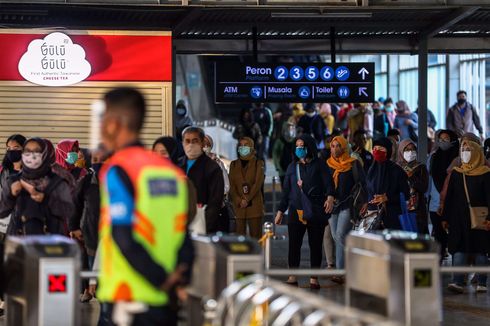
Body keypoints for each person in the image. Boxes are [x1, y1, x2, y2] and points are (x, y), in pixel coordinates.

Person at [97, 88, 193, 325]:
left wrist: (160, 279)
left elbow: (123, 235)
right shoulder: (171, 173)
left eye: (102, 118)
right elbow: (183, 236)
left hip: (128, 297)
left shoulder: (119, 169)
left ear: (114, 123)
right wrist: (177, 281)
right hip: (166, 300)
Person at [275, 134, 335, 289]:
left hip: (316, 210)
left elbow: (329, 183)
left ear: (309, 147)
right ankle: (292, 275)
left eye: (302, 146)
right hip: (296, 211)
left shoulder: (320, 165)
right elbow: (287, 191)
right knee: (294, 244)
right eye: (297, 146)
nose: (299, 149)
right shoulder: (292, 167)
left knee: (316, 245)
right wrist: (281, 211)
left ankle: (314, 278)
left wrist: (329, 197)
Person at [0, 138, 74, 235]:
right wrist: (11, 196)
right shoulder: (13, 180)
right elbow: (2, 212)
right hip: (19, 238)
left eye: (36, 151)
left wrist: (45, 199)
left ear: (45, 154)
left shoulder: (58, 181)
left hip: (49, 240)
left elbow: (69, 211)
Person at [443, 138, 490, 294]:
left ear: (477, 153)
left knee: (480, 251)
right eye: (463, 150)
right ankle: (457, 281)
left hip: (479, 219)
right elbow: (449, 197)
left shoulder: (485, 174)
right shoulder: (457, 173)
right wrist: (445, 217)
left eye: (469, 150)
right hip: (458, 219)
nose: (465, 154)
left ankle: (482, 282)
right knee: (459, 250)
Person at [70, 146, 108, 303]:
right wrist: (74, 227)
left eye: (102, 159)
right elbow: (75, 205)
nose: (98, 163)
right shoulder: (85, 182)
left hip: (114, 235)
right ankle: (92, 290)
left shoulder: (118, 181)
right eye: (95, 160)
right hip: (91, 233)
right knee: (93, 267)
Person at [327, 136, 366, 281]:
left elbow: (362, 183)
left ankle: (340, 272)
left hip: (348, 205)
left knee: (340, 235)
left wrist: (365, 202)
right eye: (333, 146)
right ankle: (349, 268)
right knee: (337, 237)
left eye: (338, 146)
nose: (335, 149)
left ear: (344, 148)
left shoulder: (353, 164)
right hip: (332, 206)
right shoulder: (328, 165)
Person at [181, 127, 226, 233]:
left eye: (195, 141)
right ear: (182, 143)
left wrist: (206, 225)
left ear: (201, 143)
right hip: (179, 223)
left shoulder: (212, 168)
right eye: (187, 141)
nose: (191, 144)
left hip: (202, 223)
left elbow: (215, 201)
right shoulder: (177, 165)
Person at [366, 137, 410, 230]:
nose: (377, 151)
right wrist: (366, 204)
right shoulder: (371, 169)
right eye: (375, 149)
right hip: (373, 216)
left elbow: (406, 194)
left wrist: (387, 198)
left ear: (388, 151)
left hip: (392, 218)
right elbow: (368, 190)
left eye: (381, 149)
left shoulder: (397, 170)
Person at [228, 137, 265, 238]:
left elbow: (258, 183)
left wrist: (247, 199)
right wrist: (239, 200)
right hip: (239, 206)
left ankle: (258, 254)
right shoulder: (233, 164)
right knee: (240, 238)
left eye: (246, 145)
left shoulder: (259, 163)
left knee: (256, 236)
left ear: (252, 147)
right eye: (241, 145)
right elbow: (231, 185)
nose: (243, 147)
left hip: (254, 205)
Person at [396, 139, 429, 234]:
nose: (410, 152)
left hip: (417, 211)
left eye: (413, 149)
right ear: (401, 151)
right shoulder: (396, 168)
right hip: (400, 208)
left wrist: (411, 177)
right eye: (407, 150)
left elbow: (424, 188)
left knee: (418, 236)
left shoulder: (421, 168)